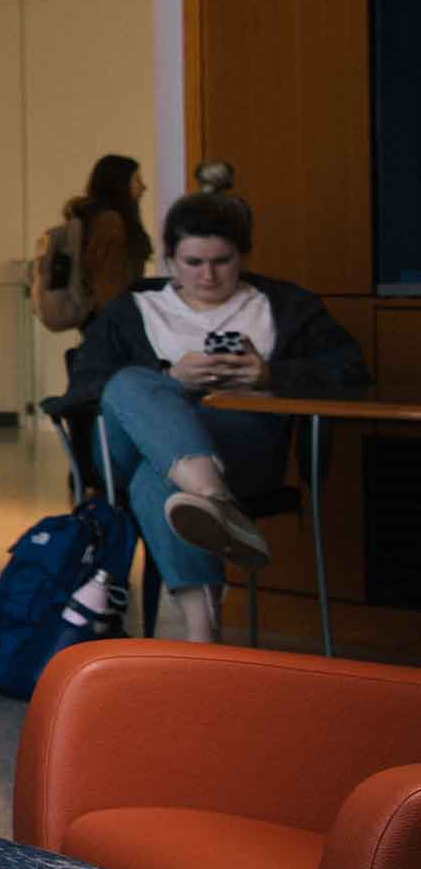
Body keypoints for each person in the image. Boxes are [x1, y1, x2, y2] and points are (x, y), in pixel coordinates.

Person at [62, 192, 370, 641]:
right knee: (130, 382)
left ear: (243, 255)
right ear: (169, 257)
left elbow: (351, 369)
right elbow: (84, 385)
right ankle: (216, 499)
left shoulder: (282, 305)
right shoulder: (134, 309)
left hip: (242, 447)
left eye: (222, 261)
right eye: (192, 262)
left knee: (159, 476)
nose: (206, 275)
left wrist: (270, 372)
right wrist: (171, 376)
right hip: (126, 449)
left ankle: (202, 632)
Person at [63, 152, 154, 313]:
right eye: (136, 180)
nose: (143, 187)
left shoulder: (101, 220)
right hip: (111, 317)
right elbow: (108, 280)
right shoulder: (110, 223)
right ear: (120, 185)